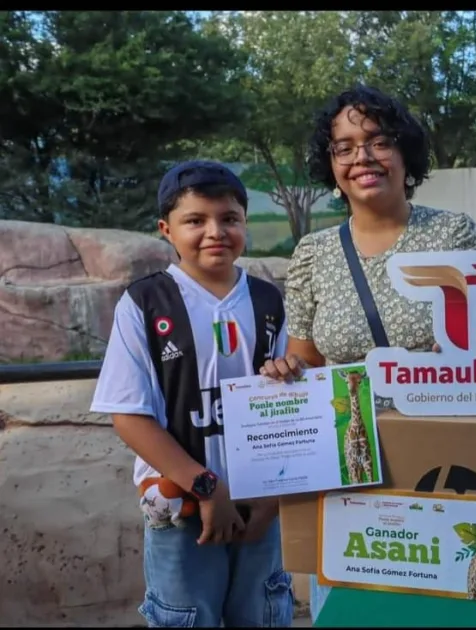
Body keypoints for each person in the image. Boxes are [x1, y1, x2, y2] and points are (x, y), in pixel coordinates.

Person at [259, 85, 476, 622]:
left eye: (377, 141)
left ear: (404, 152)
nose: (362, 158)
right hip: (351, 471)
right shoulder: (313, 253)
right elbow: (305, 361)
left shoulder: (454, 234)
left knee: (447, 604)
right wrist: (286, 373)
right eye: (345, 146)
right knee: (352, 611)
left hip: (445, 463)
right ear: (330, 162)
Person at [90, 160, 294, 628]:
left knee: (262, 615)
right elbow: (128, 414)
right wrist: (206, 486)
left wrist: (273, 499)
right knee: (186, 617)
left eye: (229, 218)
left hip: (258, 507)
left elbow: (294, 409)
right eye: (195, 220)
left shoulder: (268, 302)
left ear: (245, 222)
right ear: (166, 229)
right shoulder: (145, 303)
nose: (214, 232)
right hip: (182, 508)